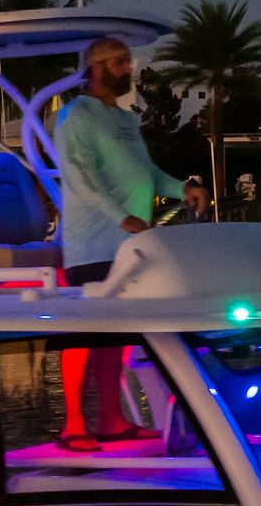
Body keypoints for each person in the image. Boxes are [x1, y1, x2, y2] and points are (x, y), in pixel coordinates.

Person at [54, 36, 188, 449]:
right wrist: (121, 217)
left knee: (117, 336)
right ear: (94, 68)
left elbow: (147, 174)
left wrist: (185, 188)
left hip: (129, 248)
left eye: (127, 62)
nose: (127, 69)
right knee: (85, 334)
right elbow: (81, 177)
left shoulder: (127, 121)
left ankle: (111, 419)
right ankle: (73, 425)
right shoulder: (77, 116)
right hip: (91, 243)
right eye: (117, 63)